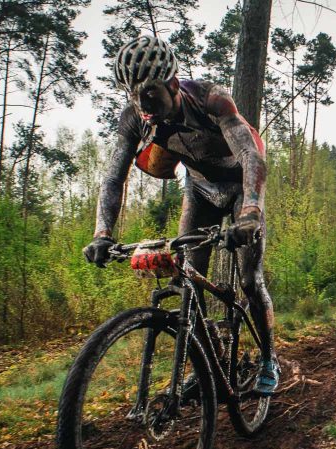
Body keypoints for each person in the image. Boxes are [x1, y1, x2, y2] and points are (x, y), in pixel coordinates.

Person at [82, 36, 279, 395]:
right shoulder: (135, 119)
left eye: (151, 94)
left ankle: (269, 357)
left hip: (238, 187)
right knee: (186, 279)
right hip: (199, 190)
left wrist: (251, 211)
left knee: (250, 281)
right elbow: (113, 177)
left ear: (173, 83)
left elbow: (251, 156)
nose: (143, 105)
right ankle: (211, 363)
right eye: (132, 94)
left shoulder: (211, 99)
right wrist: (101, 232)